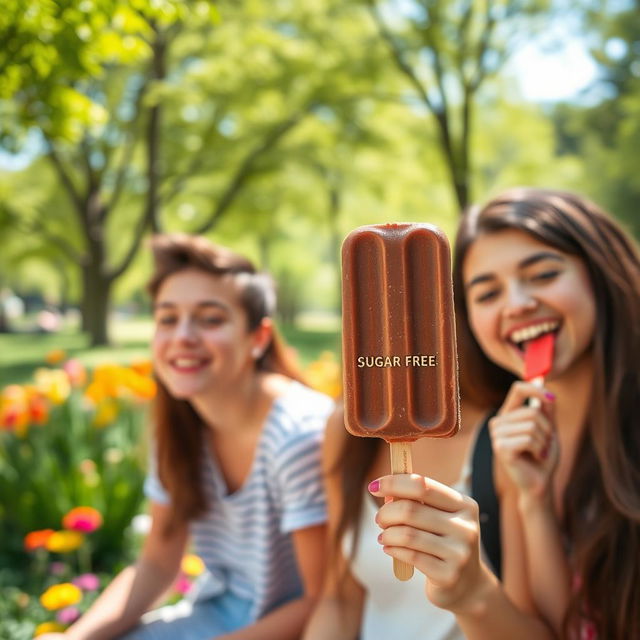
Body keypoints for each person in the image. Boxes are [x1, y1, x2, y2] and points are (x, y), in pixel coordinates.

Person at [327, 188, 639, 640]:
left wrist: (473, 590)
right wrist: (534, 500)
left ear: (602, 274)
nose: (516, 304)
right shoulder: (519, 451)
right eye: (487, 292)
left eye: (544, 274)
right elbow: (559, 629)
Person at [39, 234, 334, 640]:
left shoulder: (298, 436)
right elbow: (158, 563)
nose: (183, 336)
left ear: (258, 338)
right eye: (167, 318)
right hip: (213, 618)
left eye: (211, 319)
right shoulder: (181, 426)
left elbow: (323, 600)